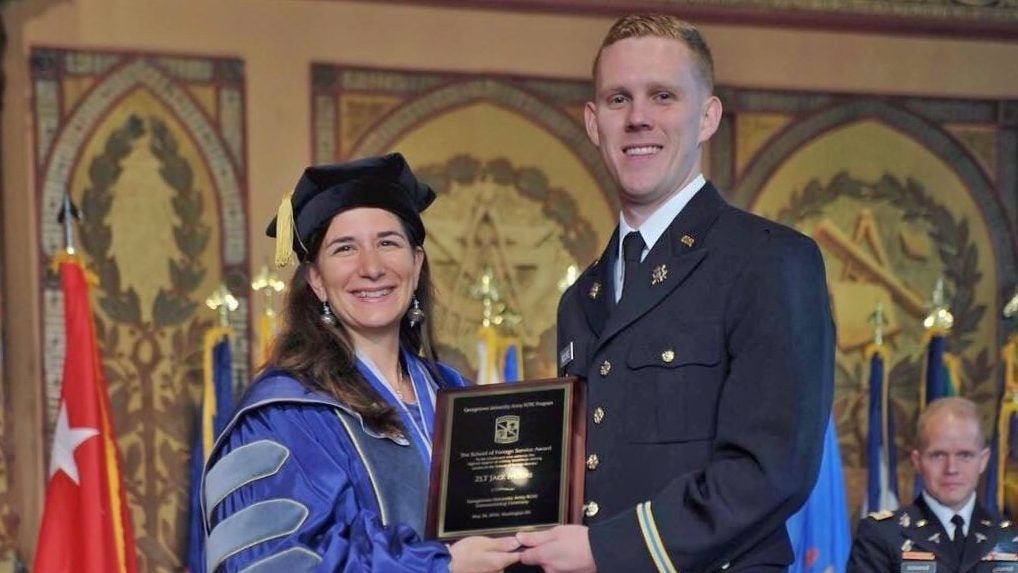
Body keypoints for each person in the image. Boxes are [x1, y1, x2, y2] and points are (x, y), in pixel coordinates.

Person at [516, 14, 835, 572]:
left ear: (707, 115)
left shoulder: (769, 260)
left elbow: (772, 469)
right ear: (593, 122)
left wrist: (608, 550)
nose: (638, 118)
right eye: (618, 99)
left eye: (662, 96)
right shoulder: (582, 298)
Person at [200, 153, 520, 572]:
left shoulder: (452, 391)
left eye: (388, 242)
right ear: (316, 279)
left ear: (416, 262)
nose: (371, 267)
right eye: (344, 248)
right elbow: (280, 561)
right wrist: (438, 566)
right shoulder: (283, 413)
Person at [848, 397, 1018, 572]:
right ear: (917, 461)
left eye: (964, 455)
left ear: (983, 460)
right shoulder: (881, 535)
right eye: (938, 455)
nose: (951, 468)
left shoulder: (1010, 538)